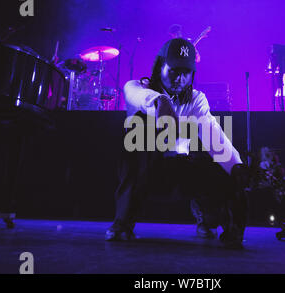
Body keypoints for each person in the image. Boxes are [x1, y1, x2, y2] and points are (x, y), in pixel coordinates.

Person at [105, 38, 249, 249]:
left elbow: (214, 135)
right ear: (160, 66)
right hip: (144, 170)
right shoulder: (136, 87)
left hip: (179, 170)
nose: (180, 78)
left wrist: (237, 166)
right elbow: (136, 95)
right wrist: (159, 101)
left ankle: (216, 222)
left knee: (220, 165)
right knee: (135, 142)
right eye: (173, 70)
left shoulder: (196, 99)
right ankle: (122, 223)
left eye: (186, 72)